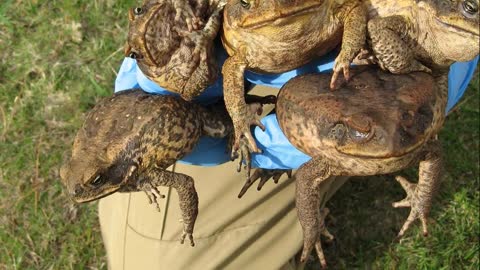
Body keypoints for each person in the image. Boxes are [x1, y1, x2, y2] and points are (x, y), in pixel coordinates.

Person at [99, 42, 479, 269]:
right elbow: (307, 186)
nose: (395, 139)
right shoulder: (327, 151)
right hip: (266, 96)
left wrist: (447, 58)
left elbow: (428, 149)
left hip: (391, 74)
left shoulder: (403, 131)